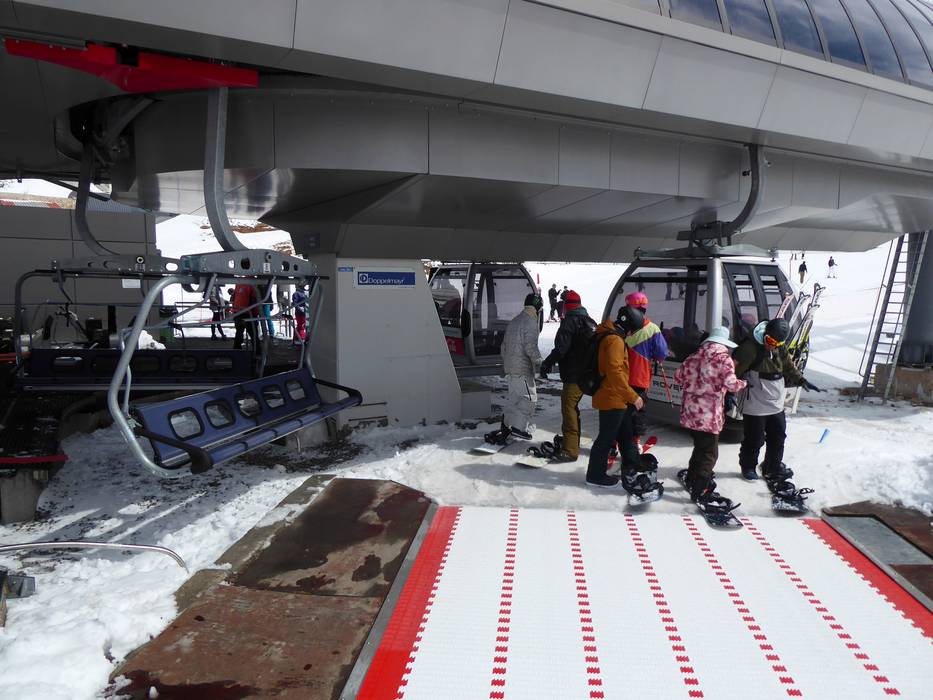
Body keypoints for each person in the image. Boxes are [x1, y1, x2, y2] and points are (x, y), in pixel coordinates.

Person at [732, 318, 822, 482]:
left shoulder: (779, 347)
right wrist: (729, 393)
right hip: (755, 403)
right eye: (770, 341)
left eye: (777, 343)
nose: (773, 346)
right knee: (755, 439)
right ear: (765, 334)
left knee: (778, 437)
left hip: (775, 402)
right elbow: (731, 373)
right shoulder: (749, 349)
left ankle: (772, 466)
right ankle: (748, 466)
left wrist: (801, 380)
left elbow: (788, 366)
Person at [674, 327, 747, 509]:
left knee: (700, 446)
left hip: (691, 413)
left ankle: (691, 478)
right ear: (724, 343)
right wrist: (744, 383)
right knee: (710, 453)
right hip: (709, 416)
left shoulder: (693, 356)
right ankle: (700, 489)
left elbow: (678, 377)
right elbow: (731, 384)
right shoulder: (724, 359)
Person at [585, 305, 645, 488]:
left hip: (615, 396)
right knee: (606, 438)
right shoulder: (615, 340)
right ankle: (595, 476)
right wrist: (633, 396)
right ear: (629, 326)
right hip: (612, 397)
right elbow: (614, 372)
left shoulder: (610, 335)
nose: (632, 334)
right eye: (633, 330)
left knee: (626, 433)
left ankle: (631, 465)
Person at [540, 289, 596, 462]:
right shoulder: (590, 321)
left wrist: (547, 363)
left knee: (569, 410)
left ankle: (570, 450)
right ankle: (573, 442)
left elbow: (561, 349)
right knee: (574, 409)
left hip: (573, 375)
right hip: (588, 375)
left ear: (567, 306)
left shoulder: (570, 322)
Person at [621, 291, 669, 448]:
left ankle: (614, 443)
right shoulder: (653, 329)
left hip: (619, 377)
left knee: (619, 411)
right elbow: (661, 354)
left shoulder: (620, 326)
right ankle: (635, 442)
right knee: (637, 411)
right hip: (639, 378)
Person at [495, 293, 543, 441]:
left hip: (511, 369)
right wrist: (540, 362)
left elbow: (503, 347)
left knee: (514, 400)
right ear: (536, 307)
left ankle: (506, 425)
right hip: (522, 370)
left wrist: (507, 364)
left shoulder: (515, 321)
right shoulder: (530, 323)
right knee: (529, 399)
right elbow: (531, 347)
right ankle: (518, 428)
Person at [231, 282, 259, 350]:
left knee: (239, 331)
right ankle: (257, 350)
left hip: (238, 311)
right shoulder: (253, 283)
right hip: (248, 312)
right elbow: (254, 299)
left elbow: (233, 298)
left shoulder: (239, 282)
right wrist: (255, 313)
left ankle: (236, 349)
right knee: (253, 333)